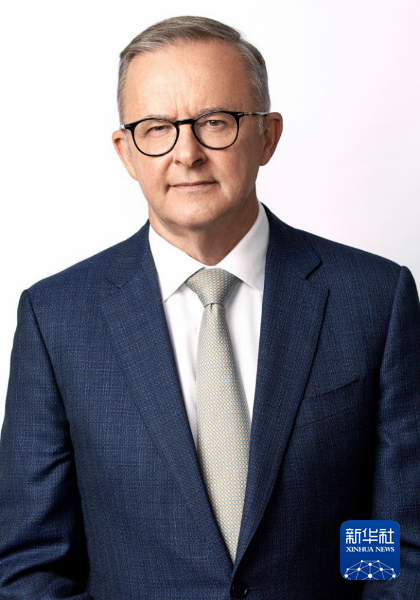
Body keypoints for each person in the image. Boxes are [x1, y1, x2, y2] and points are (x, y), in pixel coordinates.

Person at [0, 15, 419, 600]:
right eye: (156, 129)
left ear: (268, 136)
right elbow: (32, 561)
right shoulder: (56, 318)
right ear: (126, 152)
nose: (187, 153)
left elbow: (390, 539)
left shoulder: (374, 299)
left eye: (215, 122)